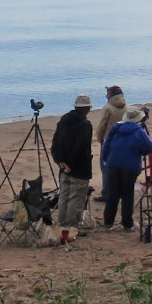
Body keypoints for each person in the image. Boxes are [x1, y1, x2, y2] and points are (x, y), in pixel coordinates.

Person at [101, 108, 152, 232]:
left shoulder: (116, 129)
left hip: (113, 164)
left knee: (113, 193)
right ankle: (127, 223)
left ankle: (108, 222)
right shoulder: (139, 132)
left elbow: (106, 145)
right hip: (130, 166)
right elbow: (148, 147)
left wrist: (106, 159)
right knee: (127, 194)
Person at [50, 93, 94, 228]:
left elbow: (55, 143)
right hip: (78, 168)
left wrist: (60, 161)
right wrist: (70, 165)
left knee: (64, 196)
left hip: (64, 166)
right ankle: (71, 226)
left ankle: (62, 224)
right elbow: (81, 147)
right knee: (76, 197)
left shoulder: (64, 120)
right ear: (87, 108)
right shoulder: (84, 125)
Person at [94, 86, 127, 202]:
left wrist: (100, 139)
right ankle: (118, 191)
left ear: (112, 95)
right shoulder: (126, 107)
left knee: (106, 168)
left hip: (108, 142)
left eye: (107, 93)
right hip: (123, 142)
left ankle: (107, 193)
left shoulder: (108, 108)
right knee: (119, 168)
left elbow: (101, 126)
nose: (105, 95)